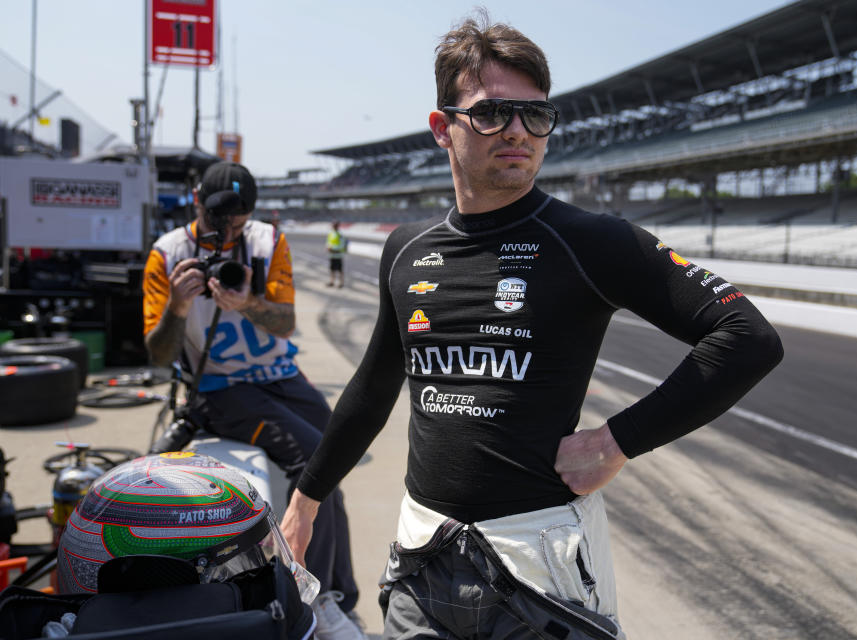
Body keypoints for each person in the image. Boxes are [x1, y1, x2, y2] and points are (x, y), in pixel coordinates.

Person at [281, 14, 783, 639]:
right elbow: (374, 386)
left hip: (540, 575)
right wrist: (306, 499)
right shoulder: (407, 250)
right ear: (443, 128)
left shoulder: (592, 241)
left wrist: (617, 440)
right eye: (492, 113)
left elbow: (747, 336)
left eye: (535, 115)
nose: (518, 131)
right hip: (421, 561)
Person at [142, 161, 365, 639]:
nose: (228, 234)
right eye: (220, 223)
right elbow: (159, 354)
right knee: (311, 462)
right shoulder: (167, 253)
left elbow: (285, 322)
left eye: (238, 225)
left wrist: (247, 303)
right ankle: (315, 599)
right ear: (197, 201)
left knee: (335, 458)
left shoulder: (268, 240)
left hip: (281, 377)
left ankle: (337, 595)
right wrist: (179, 307)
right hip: (221, 388)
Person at [326, 220, 347, 287]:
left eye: (335, 225)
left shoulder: (340, 235)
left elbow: (342, 245)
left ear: (337, 226)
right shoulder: (330, 233)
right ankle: (332, 282)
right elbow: (328, 243)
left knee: (340, 270)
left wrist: (334, 250)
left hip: (338, 255)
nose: (334, 226)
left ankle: (341, 283)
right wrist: (328, 248)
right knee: (332, 269)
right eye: (333, 225)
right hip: (332, 255)